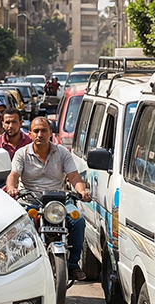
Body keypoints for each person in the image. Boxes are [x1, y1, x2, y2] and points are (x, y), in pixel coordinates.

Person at [5, 116, 91, 280]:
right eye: (36, 131)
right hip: (31, 201)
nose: (40, 134)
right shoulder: (21, 154)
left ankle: (73, 264)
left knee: (78, 220)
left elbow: (73, 176)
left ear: (51, 133)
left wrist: (82, 192)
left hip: (58, 202)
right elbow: (14, 175)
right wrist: (12, 188)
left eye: (44, 130)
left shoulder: (62, 152)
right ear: (30, 134)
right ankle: (25, 265)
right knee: (23, 226)